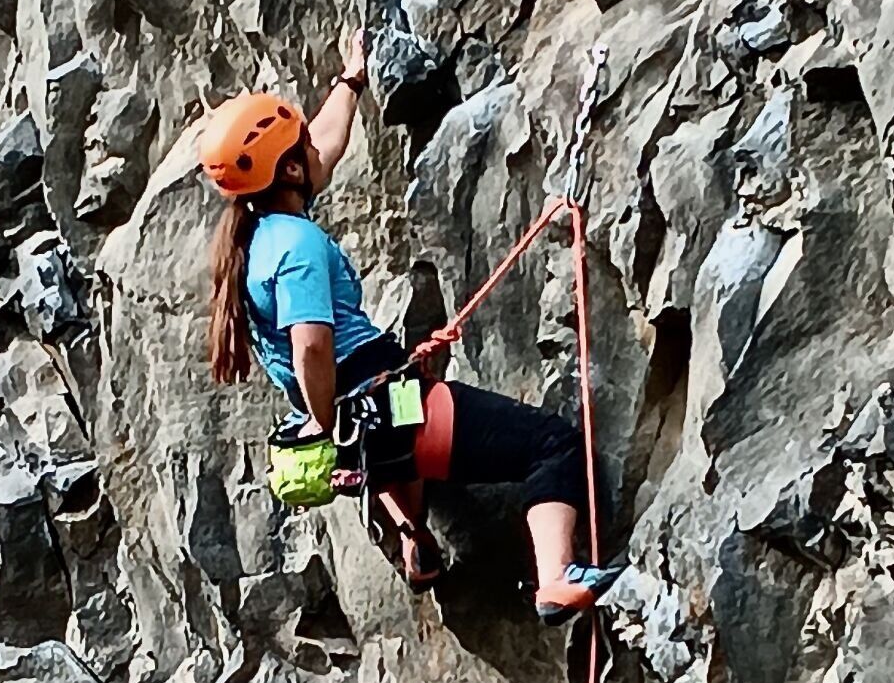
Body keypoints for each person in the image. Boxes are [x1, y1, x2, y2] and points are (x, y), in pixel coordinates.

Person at [199, 32, 621, 622]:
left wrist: (351, 81)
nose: (312, 153)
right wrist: (334, 425)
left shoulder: (263, 227)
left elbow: (324, 143)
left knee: (396, 447)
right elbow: (312, 348)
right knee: (550, 446)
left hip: (364, 401)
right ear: (289, 169)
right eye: (299, 151)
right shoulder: (294, 245)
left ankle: (414, 543)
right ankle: (554, 578)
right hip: (373, 396)